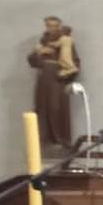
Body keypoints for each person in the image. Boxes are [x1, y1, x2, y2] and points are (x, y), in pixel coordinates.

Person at [27, 15, 80, 149]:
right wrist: (40, 53)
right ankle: (44, 141)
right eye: (49, 26)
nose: (52, 29)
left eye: (55, 26)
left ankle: (59, 140)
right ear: (46, 27)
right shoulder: (42, 42)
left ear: (59, 27)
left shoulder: (65, 40)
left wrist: (66, 74)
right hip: (43, 80)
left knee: (55, 108)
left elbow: (75, 62)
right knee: (42, 109)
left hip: (58, 80)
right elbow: (32, 61)